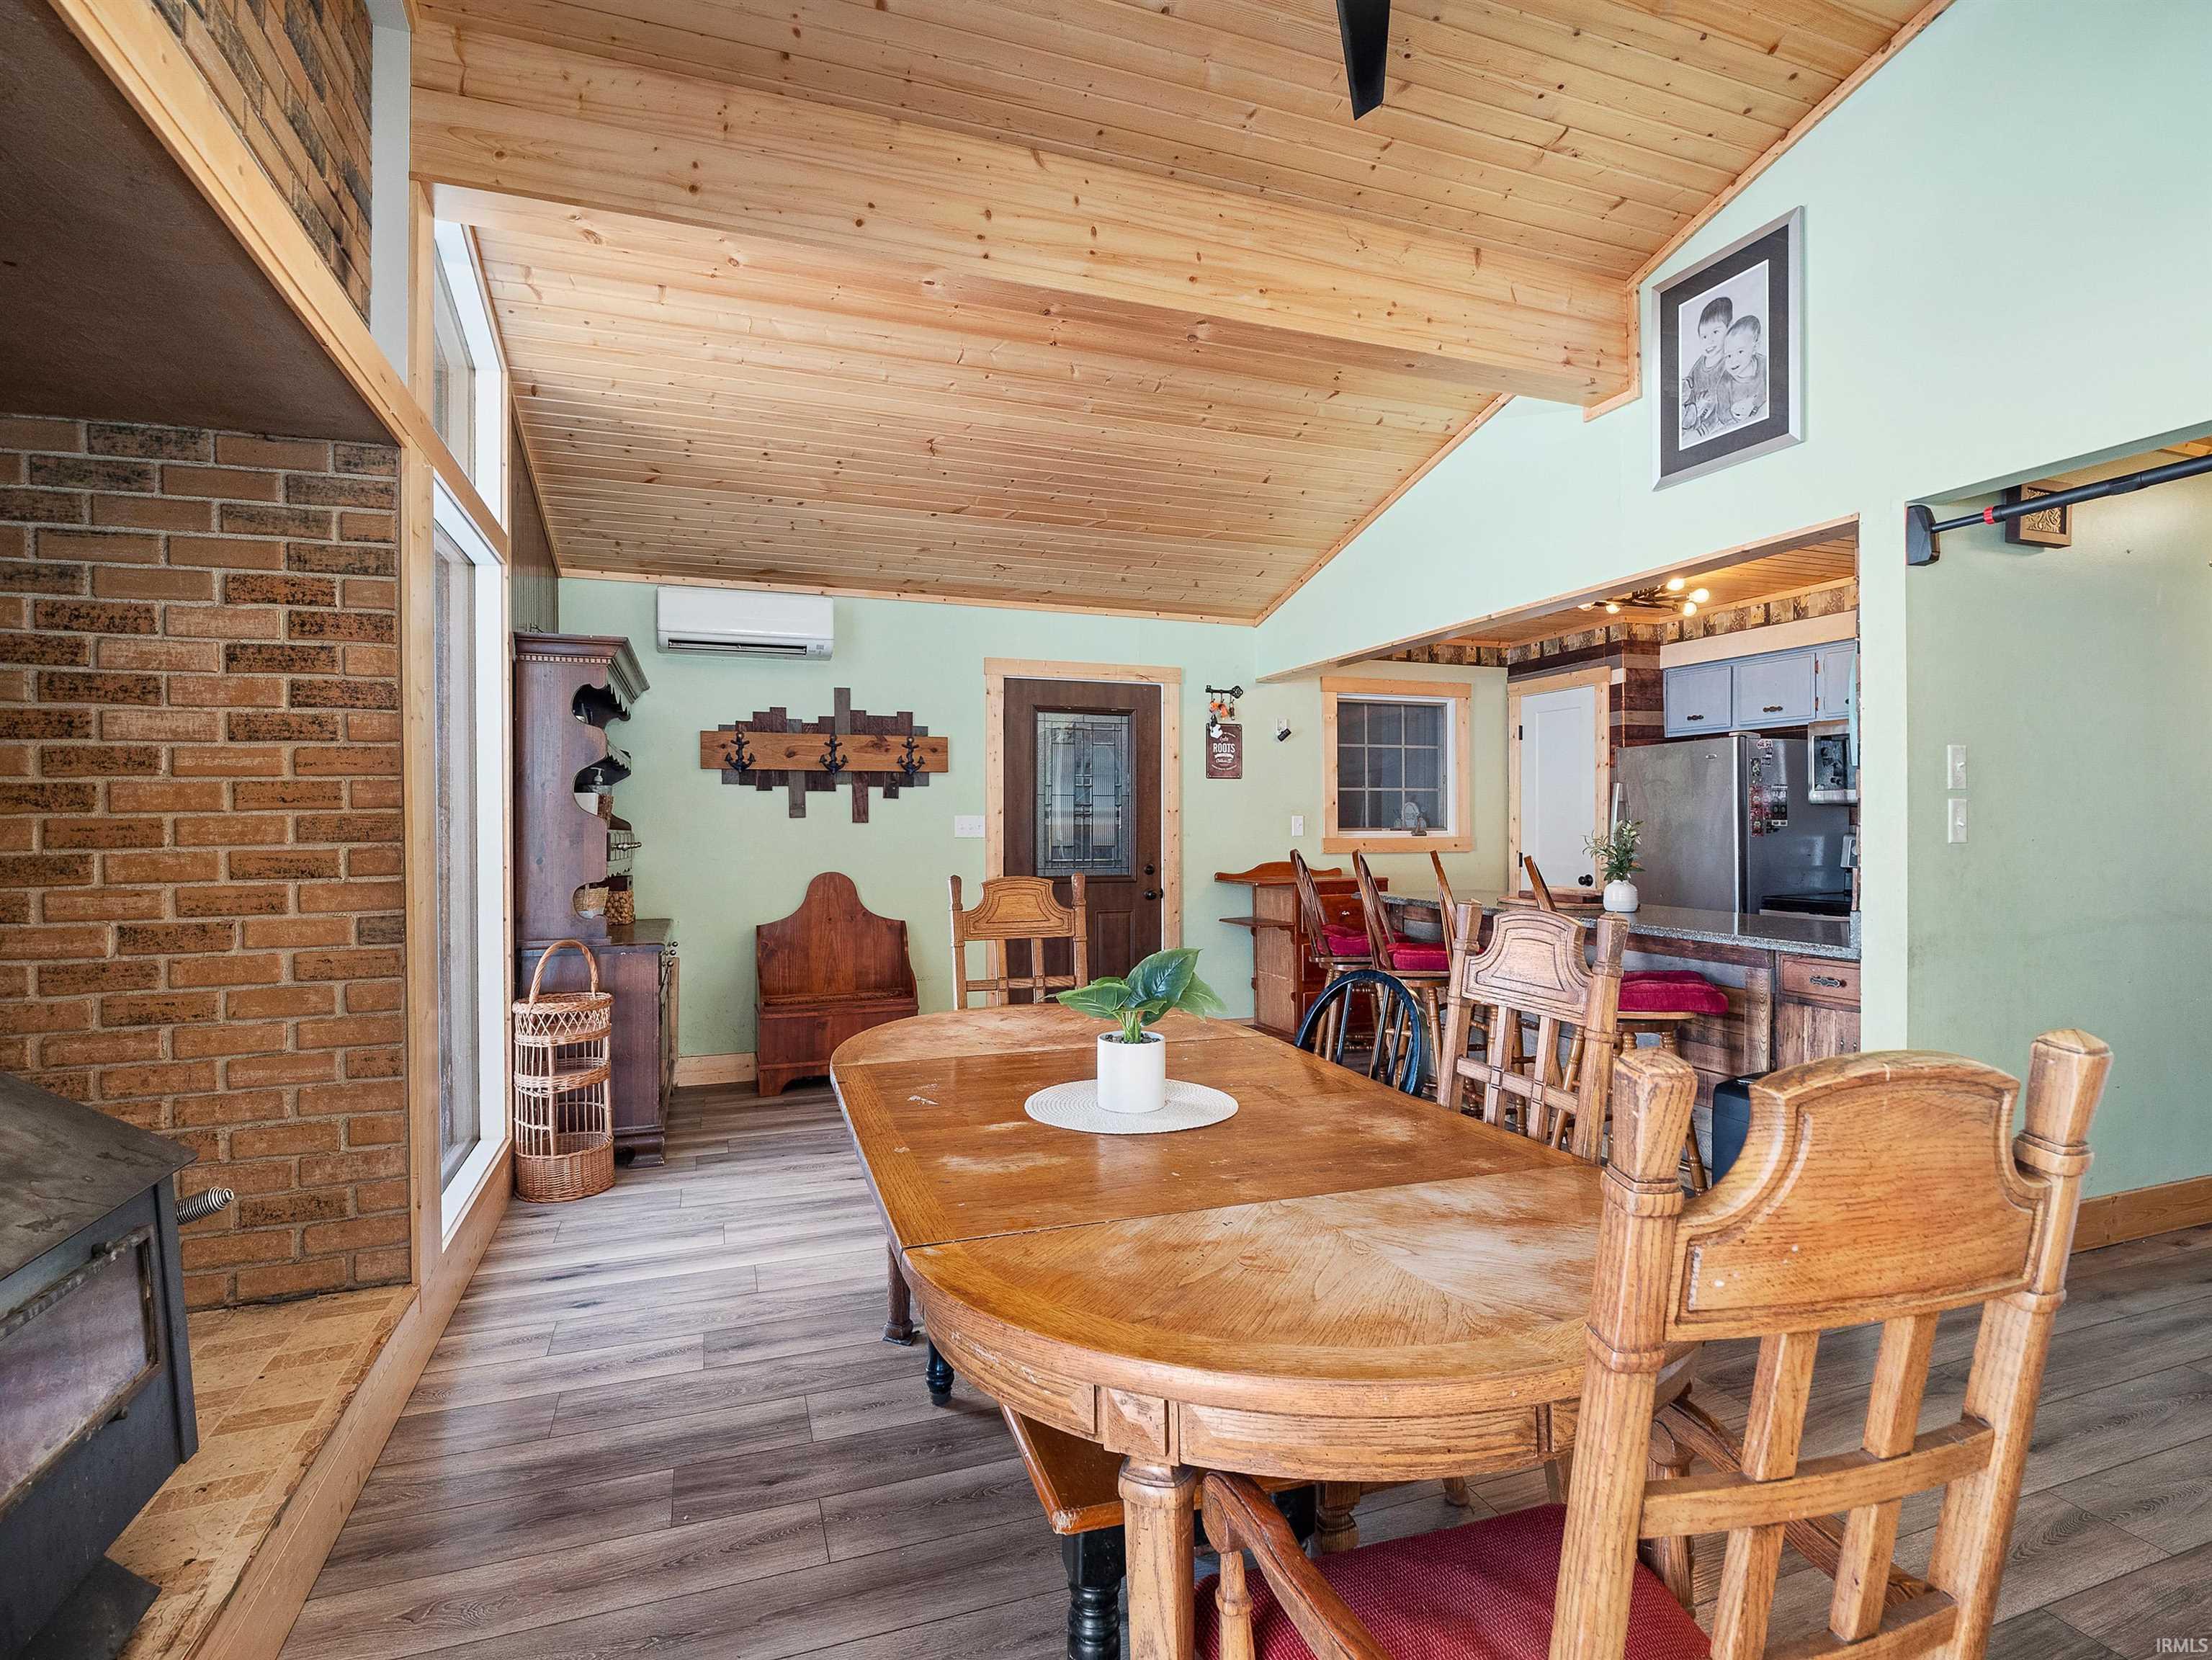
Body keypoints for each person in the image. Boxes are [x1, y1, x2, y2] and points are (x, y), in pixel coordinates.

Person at [1679, 295, 1733, 441]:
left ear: (1729, 329)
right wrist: (1692, 407)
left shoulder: (1730, 362)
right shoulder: (1700, 364)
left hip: (1714, 421)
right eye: (1704, 336)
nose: (1709, 341)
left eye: (1715, 332)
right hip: (1696, 415)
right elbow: (1689, 386)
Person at [1721, 314, 1768, 426]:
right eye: (1729, 355)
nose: (1733, 360)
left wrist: (1755, 406)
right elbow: (1723, 413)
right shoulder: (1724, 383)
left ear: (1755, 348)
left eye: (1740, 352)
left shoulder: (1765, 366)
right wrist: (1734, 420)